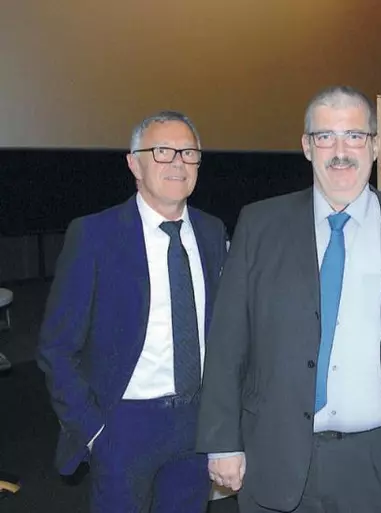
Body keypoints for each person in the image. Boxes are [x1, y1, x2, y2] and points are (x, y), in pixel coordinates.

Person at [196, 85, 381, 513]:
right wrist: (221, 440)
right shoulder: (260, 225)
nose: (340, 150)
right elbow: (228, 340)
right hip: (277, 453)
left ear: (375, 145)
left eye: (354, 136)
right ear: (306, 147)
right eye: (324, 136)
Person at [37, 111, 228, 513]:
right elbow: (56, 347)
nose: (177, 162)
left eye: (189, 152)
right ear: (133, 163)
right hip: (123, 424)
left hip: (197, 420)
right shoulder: (94, 235)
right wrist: (93, 431)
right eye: (162, 151)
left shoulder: (213, 232)